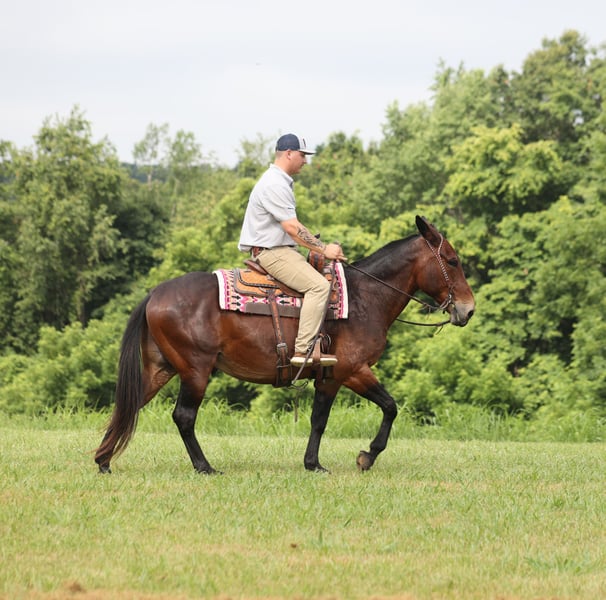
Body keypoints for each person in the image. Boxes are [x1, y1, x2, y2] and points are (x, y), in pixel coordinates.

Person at [238, 133, 347, 367]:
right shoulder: (274, 184)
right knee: (319, 287)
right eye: (302, 155)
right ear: (289, 153)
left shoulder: (279, 181)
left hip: (278, 249)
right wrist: (324, 249)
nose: (305, 161)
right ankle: (304, 350)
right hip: (273, 252)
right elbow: (292, 228)